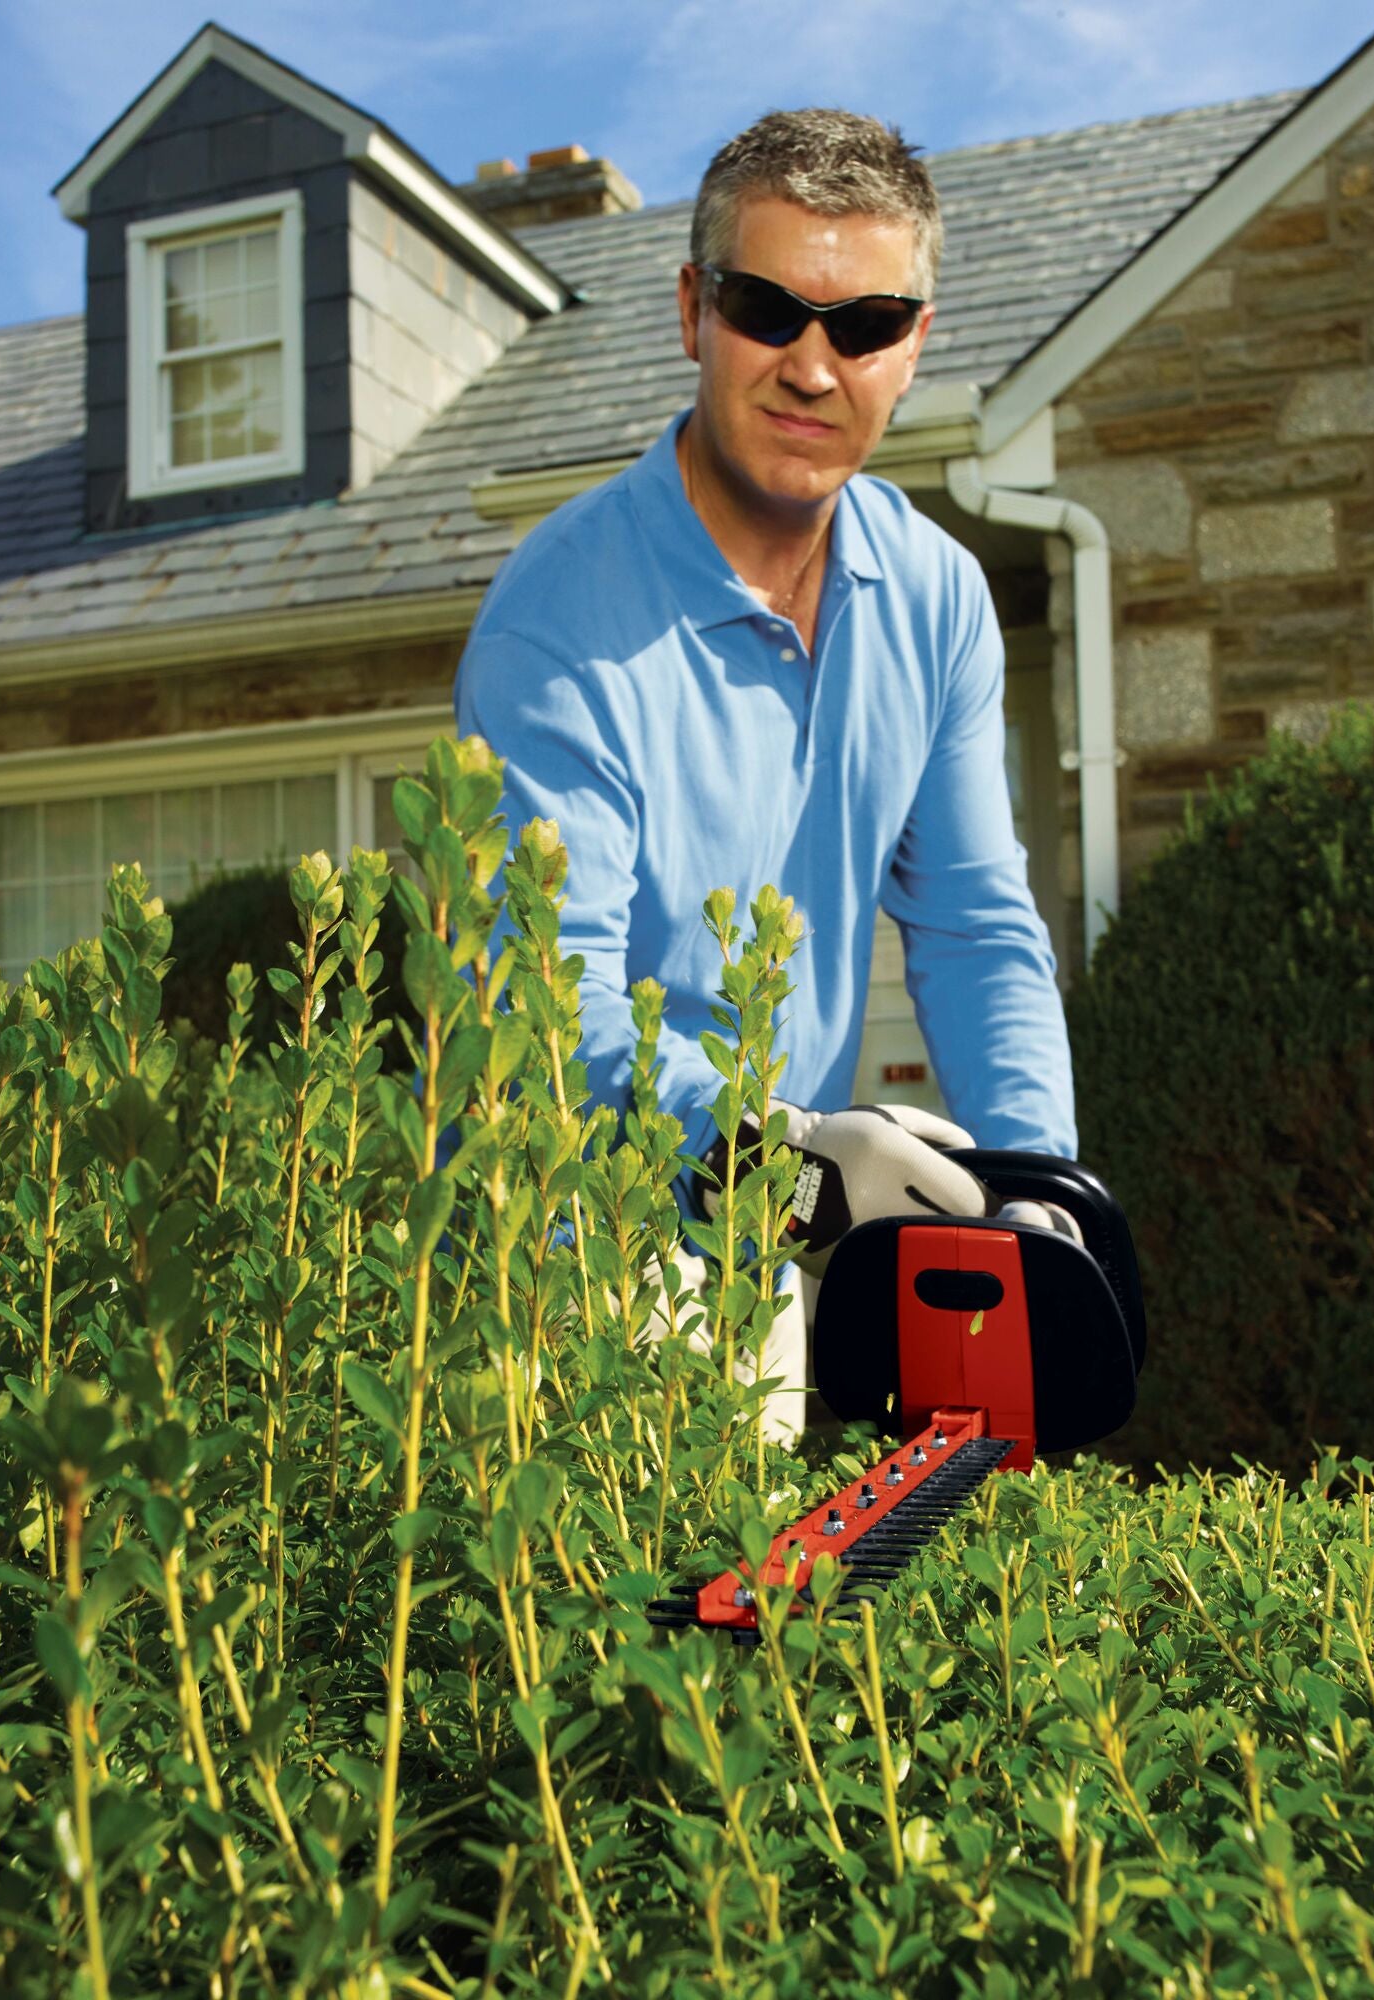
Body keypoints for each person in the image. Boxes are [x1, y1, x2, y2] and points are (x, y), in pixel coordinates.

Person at [454, 110, 1077, 1431]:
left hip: (761, 1247)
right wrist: (794, 1165)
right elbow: (543, 1020)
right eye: (765, 307)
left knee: (778, 1615)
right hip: (561, 1254)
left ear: (914, 343)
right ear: (693, 312)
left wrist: (1039, 1191)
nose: (812, 365)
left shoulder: (937, 600)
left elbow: (975, 928)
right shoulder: (561, 624)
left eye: (862, 325)